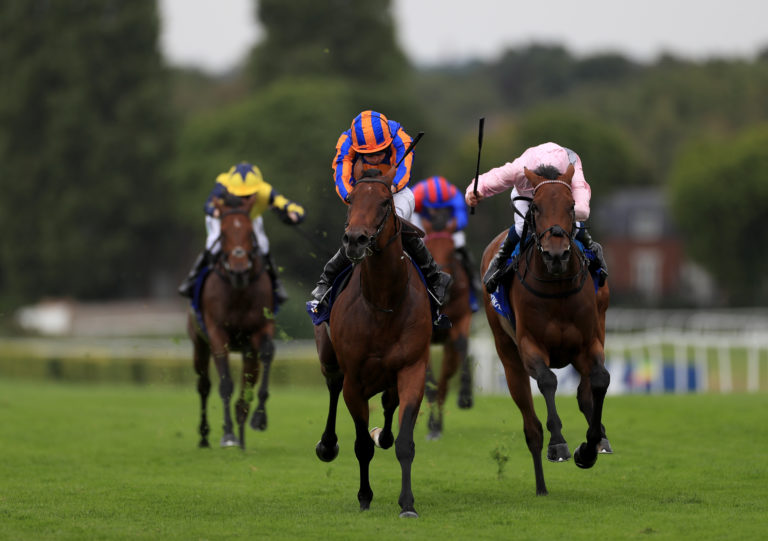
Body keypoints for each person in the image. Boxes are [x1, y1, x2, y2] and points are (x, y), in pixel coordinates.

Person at [309, 110, 452, 311]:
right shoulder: (345, 142)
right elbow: (341, 176)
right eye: (368, 154)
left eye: (380, 152)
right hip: (363, 195)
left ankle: (435, 277)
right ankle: (327, 280)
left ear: (388, 141)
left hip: (396, 191)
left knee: (396, 223)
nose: (375, 158)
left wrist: (389, 190)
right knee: (356, 230)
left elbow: (404, 170)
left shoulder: (400, 136)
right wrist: (354, 197)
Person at [465, 142, 608, 292]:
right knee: (522, 228)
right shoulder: (518, 170)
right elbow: (487, 180)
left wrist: (559, 214)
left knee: (573, 223)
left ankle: (593, 249)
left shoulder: (571, 164)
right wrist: (473, 192)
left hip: (560, 197)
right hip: (527, 196)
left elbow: (583, 211)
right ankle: (499, 260)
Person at [178, 162, 305, 305]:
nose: (244, 199)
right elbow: (208, 205)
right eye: (239, 195)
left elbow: (289, 205)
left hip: (250, 219)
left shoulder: (266, 191)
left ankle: (276, 284)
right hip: (223, 218)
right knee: (213, 244)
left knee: (263, 245)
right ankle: (192, 279)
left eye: (249, 195)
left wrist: (294, 215)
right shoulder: (223, 184)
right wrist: (216, 211)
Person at [411, 175, 482, 301]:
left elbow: (462, 220)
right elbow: (408, 216)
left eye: (441, 207)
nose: (437, 210)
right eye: (434, 208)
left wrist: (448, 228)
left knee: (460, 242)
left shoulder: (455, 196)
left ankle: (473, 280)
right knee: (414, 244)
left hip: (447, 226)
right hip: (422, 222)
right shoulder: (416, 194)